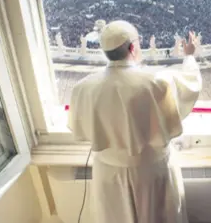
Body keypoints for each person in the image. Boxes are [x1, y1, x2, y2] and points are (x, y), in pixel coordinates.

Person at [68, 20, 202, 223]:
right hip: (151, 173)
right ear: (133, 47)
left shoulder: (82, 89)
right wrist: (189, 56)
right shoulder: (157, 82)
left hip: (108, 174)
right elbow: (190, 85)